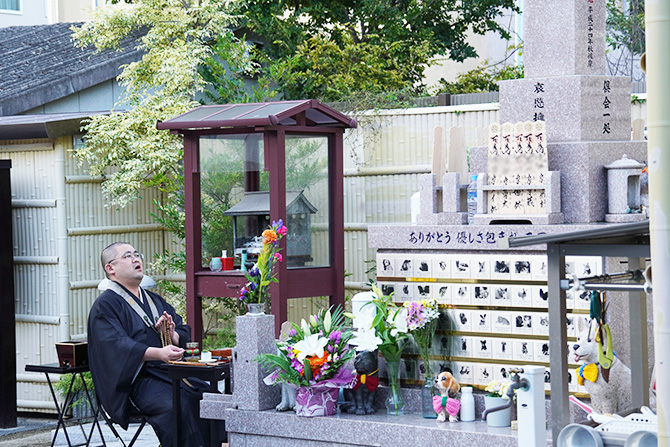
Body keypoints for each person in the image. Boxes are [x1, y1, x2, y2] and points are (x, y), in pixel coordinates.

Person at [88, 242, 224, 447]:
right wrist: (159, 353)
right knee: (180, 405)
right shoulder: (105, 305)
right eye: (127, 256)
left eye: (137, 254)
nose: (136, 259)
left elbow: (182, 329)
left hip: (170, 373)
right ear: (110, 268)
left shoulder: (153, 299)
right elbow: (116, 346)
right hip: (137, 381)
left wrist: (172, 335)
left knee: (211, 397)